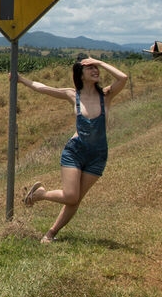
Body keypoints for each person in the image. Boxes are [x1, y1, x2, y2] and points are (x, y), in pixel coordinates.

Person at [17, 54, 128, 243]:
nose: (95, 71)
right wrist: (20, 79)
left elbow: (123, 78)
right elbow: (42, 88)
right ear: (80, 74)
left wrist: (99, 61)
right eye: (90, 68)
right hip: (75, 151)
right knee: (70, 195)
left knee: (75, 200)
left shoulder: (106, 95)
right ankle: (40, 194)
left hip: (98, 155)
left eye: (96, 68)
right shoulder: (72, 94)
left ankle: (51, 233)